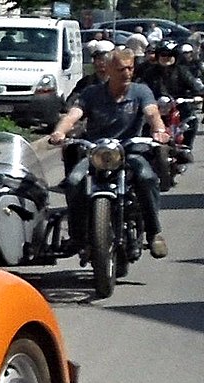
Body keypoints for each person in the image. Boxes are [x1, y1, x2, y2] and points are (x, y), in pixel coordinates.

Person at [48, 47, 170, 259]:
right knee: (75, 181)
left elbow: (152, 113)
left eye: (130, 68)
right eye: (121, 69)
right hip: (97, 152)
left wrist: (159, 131)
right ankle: (77, 236)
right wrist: (59, 131)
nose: (126, 73)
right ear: (109, 70)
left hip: (130, 151)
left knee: (147, 177)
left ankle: (154, 233)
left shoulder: (141, 91)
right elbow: (73, 115)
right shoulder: (92, 93)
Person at [139, 44, 203, 154]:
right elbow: (141, 86)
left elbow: (194, 85)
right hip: (156, 106)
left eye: (171, 55)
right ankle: (146, 148)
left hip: (178, 105)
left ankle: (185, 148)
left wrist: (198, 95)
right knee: (144, 122)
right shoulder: (150, 72)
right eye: (163, 54)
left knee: (192, 119)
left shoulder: (182, 71)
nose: (166, 57)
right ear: (158, 56)